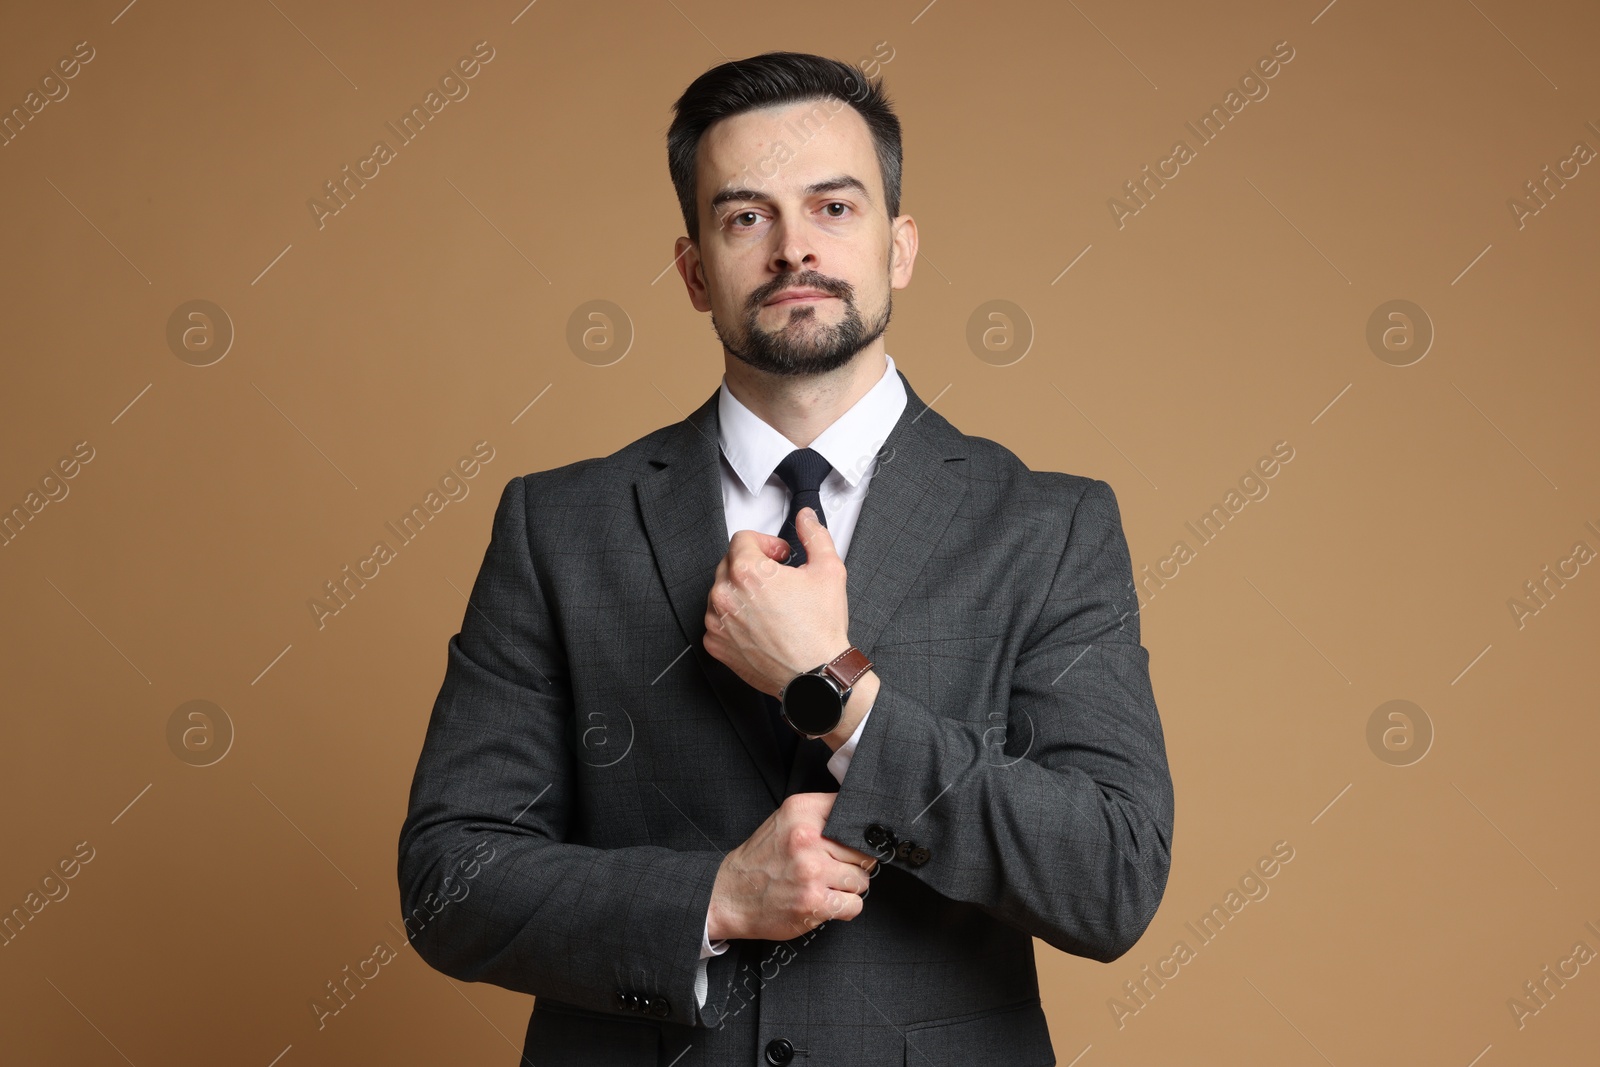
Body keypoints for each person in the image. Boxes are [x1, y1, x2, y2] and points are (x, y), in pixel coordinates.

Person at [397, 50, 1174, 1066]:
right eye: (745, 216)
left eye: (834, 208)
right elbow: (449, 878)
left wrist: (843, 698)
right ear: (693, 270)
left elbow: (1110, 876)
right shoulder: (556, 526)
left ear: (899, 246)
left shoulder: (1048, 526)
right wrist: (715, 896)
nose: (792, 248)